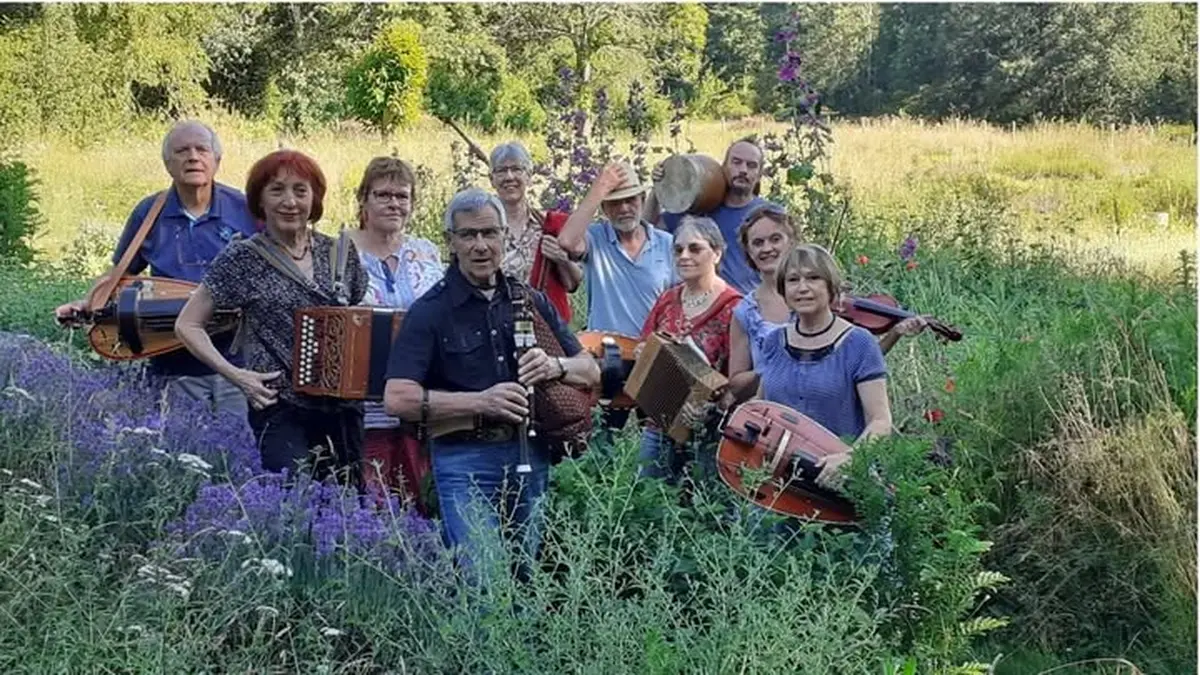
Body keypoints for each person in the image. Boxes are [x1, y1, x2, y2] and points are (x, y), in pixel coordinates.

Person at [383, 188, 599, 571]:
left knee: (526, 576)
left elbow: (590, 369)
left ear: (504, 236)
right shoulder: (430, 312)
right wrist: (481, 402)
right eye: (468, 235)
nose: (480, 245)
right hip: (463, 458)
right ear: (450, 242)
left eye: (490, 233)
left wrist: (554, 366)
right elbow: (397, 398)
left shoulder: (526, 298)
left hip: (528, 454)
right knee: (482, 581)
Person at [175, 149, 368, 482]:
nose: (289, 201)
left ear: (315, 199)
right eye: (277, 190)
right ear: (260, 201)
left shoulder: (339, 252)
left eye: (300, 190)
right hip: (279, 407)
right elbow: (187, 324)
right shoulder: (242, 258)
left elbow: (357, 319)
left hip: (341, 411)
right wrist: (237, 375)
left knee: (345, 509)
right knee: (293, 502)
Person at [54, 120, 256, 415]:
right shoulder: (149, 213)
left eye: (202, 149)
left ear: (217, 160)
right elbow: (119, 275)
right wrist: (88, 304)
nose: (193, 157)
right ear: (167, 164)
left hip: (239, 366)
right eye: (182, 151)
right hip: (173, 367)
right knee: (182, 454)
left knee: (242, 456)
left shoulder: (247, 209)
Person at [727, 205, 929, 403]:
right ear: (748, 251)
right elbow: (736, 385)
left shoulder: (822, 297)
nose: (767, 248)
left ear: (792, 242)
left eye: (775, 239)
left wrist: (894, 334)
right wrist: (779, 363)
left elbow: (862, 360)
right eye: (758, 243)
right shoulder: (746, 311)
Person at [752, 244, 893, 491]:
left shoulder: (859, 343)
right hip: (778, 482)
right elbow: (762, 406)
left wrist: (851, 459)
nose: (803, 288)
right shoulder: (774, 342)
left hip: (840, 483)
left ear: (830, 286)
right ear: (784, 290)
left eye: (813, 278)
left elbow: (880, 421)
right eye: (793, 280)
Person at [348, 156, 444, 505]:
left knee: (419, 498)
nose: (393, 203)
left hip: (420, 400)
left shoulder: (427, 252)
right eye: (383, 194)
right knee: (369, 502)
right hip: (362, 406)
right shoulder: (337, 252)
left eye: (402, 196)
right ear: (364, 199)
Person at [637, 216, 743, 482]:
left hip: (708, 428)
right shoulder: (667, 299)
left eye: (695, 249)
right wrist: (644, 354)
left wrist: (711, 406)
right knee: (648, 500)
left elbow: (740, 374)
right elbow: (645, 344)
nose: (684, 256)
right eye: (678, 249)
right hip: (660, 419)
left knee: (703, 509)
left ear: (717, 254)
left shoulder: (734, 307)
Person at [557, 160, 677, 337]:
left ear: (643, 200)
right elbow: (567, 241)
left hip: (650, 352)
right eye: (615, 203)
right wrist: (599, 189)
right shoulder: (596, 238)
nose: (624, 208)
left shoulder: (666, 243)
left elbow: (680, 301)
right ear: (604, 209)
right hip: (604, 352)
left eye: (630, 200)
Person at [649, 137, 783, 295]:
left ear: (760, 174)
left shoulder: (770, 214)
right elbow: (649, 230)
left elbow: (789, 263)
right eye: (736, 162)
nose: (743, 170)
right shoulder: (701, 208)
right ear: (724, 166)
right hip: (706, 308)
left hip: (753, 308)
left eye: (751, 165)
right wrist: (658, 187)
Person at [489, 141, 582, 323]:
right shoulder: (483, 232)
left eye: (517, 169)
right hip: (496, 327)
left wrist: (561, 259)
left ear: (529, 176)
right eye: (501, 171)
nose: (509, 177)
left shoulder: (550, 226)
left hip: (546, 329)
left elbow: (574, 283)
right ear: (491, 179)